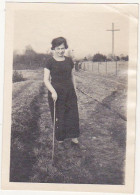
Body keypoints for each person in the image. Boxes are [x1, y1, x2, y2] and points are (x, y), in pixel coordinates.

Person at [44, 37, 80, 145]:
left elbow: (72, 76)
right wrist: (53, 92)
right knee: (59, 116)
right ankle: (60, 137)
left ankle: (73, 136)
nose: (60, 51)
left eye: (62, 48)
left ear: (65, 48)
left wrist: (75, 90)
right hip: (56, 93)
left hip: (69, 92)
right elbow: (46, 80)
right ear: (54, 49)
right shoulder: (49, 62)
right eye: (58, 48)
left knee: (72, 114)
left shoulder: (69, 60)